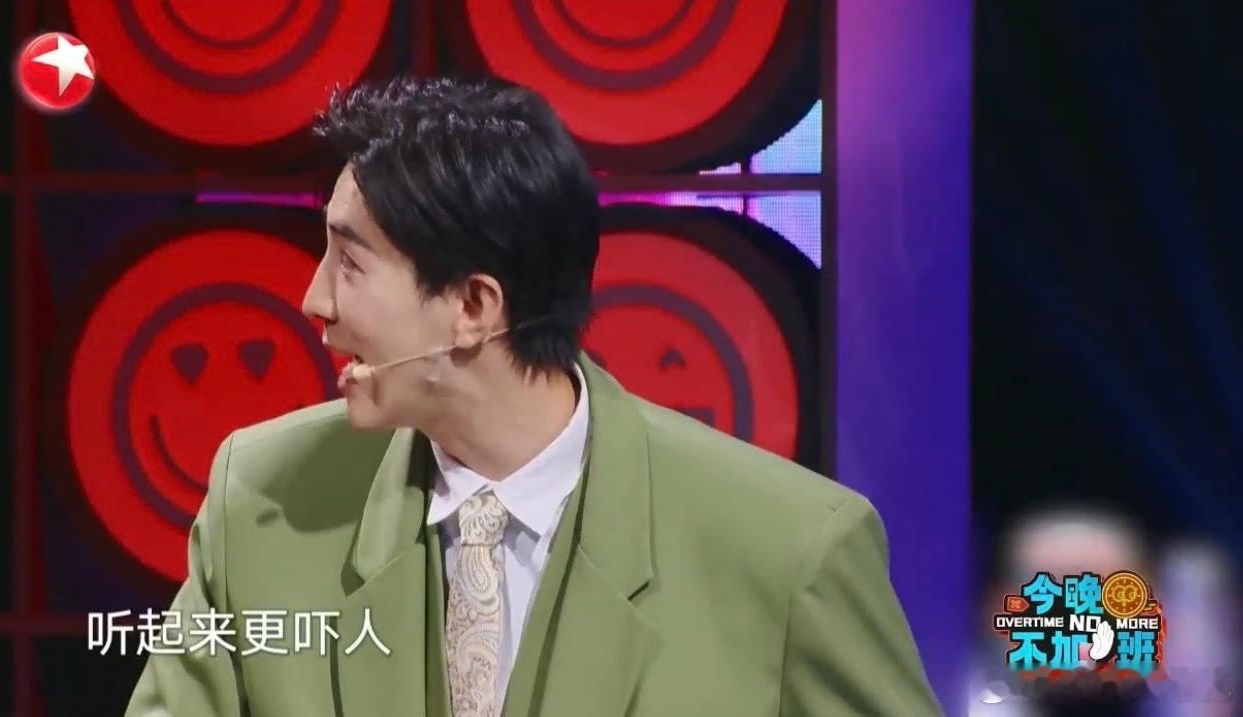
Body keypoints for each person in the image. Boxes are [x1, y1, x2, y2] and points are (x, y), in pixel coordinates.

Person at [124, 76, 942, 716]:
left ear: (475, 306)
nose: (315, 300)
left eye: (351, 262)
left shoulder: (790, 552)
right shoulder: (262, 501)